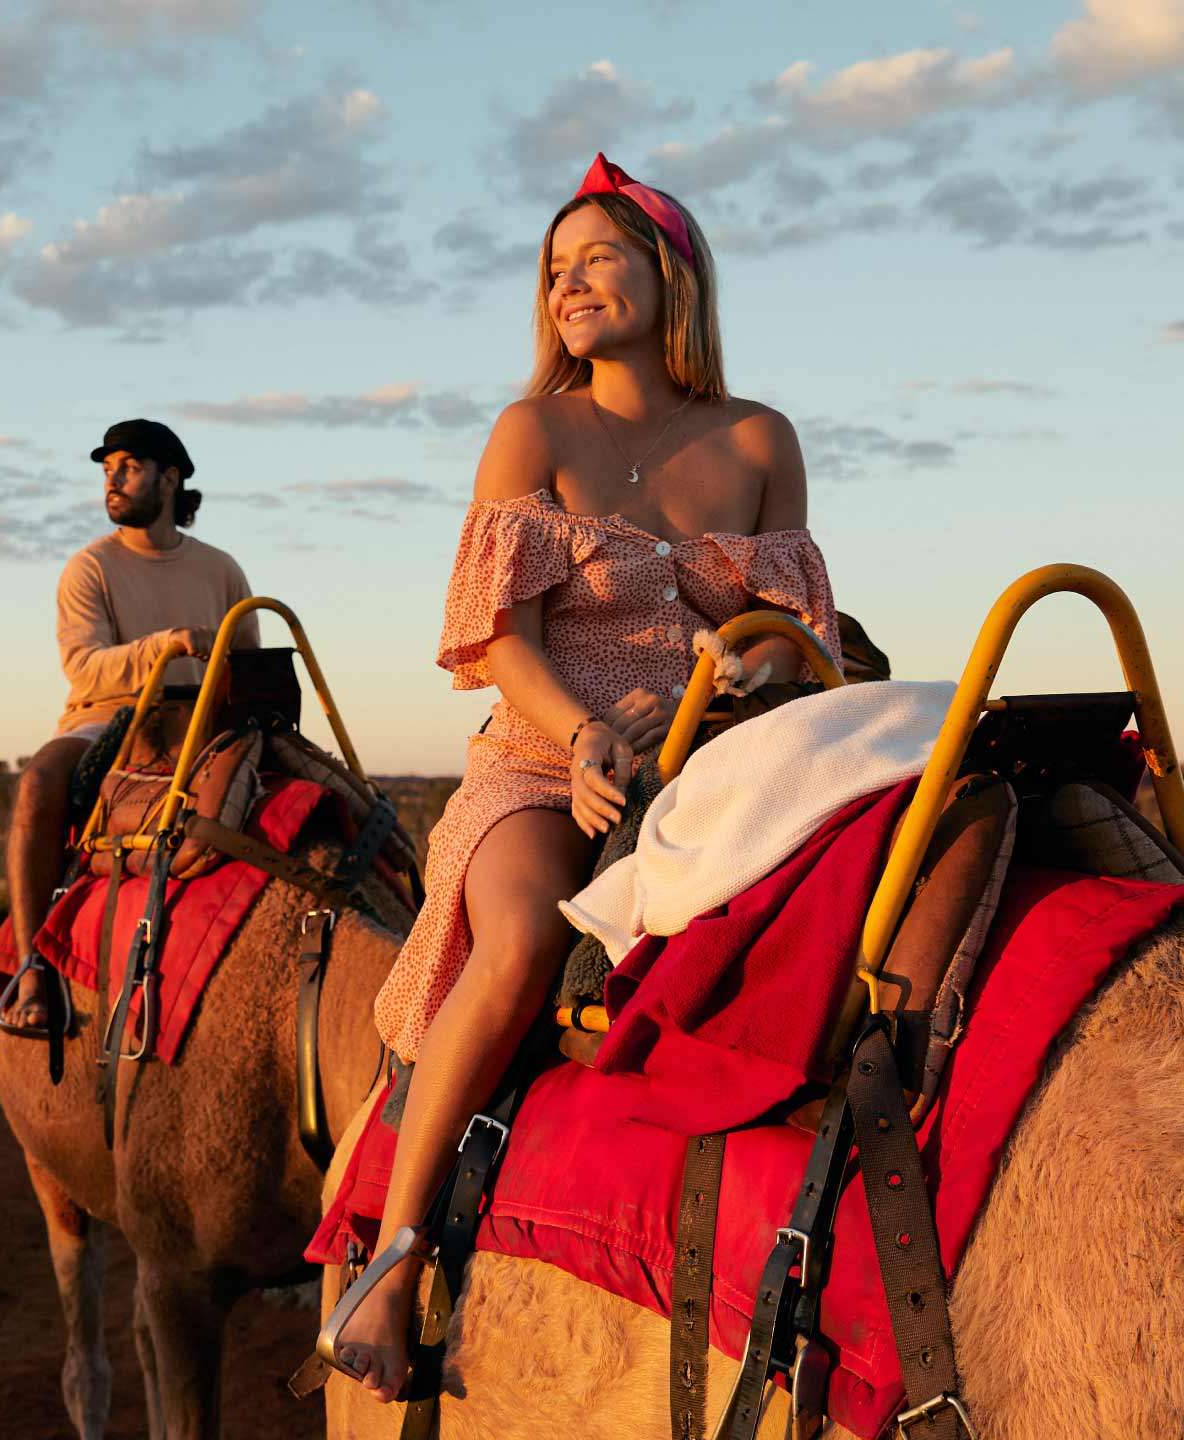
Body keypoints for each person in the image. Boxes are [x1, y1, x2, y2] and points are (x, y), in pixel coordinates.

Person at [322, 154, 840, 1397]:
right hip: (549, 757)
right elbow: (502, 633)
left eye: (595, 257)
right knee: (513, 946)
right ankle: (391, 1258)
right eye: (554, 270)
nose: (568, 284)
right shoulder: (533, 431)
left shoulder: (759, 438)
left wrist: (756, 670)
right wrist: (582, 737)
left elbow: (803, 630)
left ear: (671, 275)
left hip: (722, 755)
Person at [0, 418, 261, 1038]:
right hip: (109, 717)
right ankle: (33, 966)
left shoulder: (220, 569)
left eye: (129, 467)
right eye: (107, 469)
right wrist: (166, 648)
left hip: (205, 723)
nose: (111, 481)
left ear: (170, 479)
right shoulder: (89, 567)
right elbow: (83, 667)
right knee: (39, 782)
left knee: (326, 796)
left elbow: (248, 661)